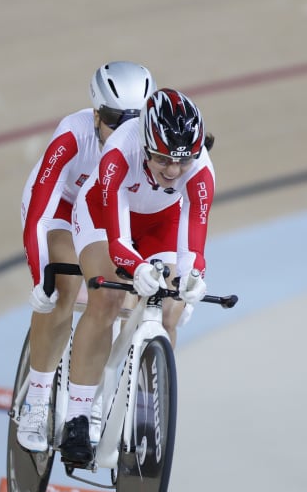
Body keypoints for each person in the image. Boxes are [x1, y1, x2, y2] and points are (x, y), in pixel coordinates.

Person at [59, 88, 215, 465]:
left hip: (161, 220)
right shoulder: (118, 153)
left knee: (170, 310)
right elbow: (117, 242)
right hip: (103, 213)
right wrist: (137, 268)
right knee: (108, 298)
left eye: (183, 161)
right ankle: (77, 416)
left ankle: (145, 410)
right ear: (146, 144)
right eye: (163, 159)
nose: (174, 171)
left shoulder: (202, 171)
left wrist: (191, 277)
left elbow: (194, 238)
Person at [16, 61, 156, 453]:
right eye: (115, 119)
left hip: (103, 214)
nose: (126, 129)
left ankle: (92, 403)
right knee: (64, 286)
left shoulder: (148, 144)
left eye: (137, 119)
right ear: (96, 115)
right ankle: (37, 398)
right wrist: (39, 273)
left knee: (114, 298)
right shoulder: (72, 136)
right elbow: (40, 214)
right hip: (60, 211)